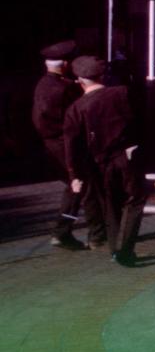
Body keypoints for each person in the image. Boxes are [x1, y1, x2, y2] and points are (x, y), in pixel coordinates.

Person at [63, 55, 145, 267]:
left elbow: (72, 146)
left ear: (80, 81)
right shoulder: (122, 93)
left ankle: (115, 250)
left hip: (98, 164)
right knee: (134, 201)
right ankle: (125, 250)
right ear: (101, 75)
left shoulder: (76, 108)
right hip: (126, 156)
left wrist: (74, 175)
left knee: (110, 206)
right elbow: (140, 121)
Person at [31, 40, 101, 250]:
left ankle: (65, 231)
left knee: (75, 187)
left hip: (53, 143)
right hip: (62, 143)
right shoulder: (63, 89)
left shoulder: (45, 84)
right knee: (82, 184)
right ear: (64, 64)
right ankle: (92, 233)